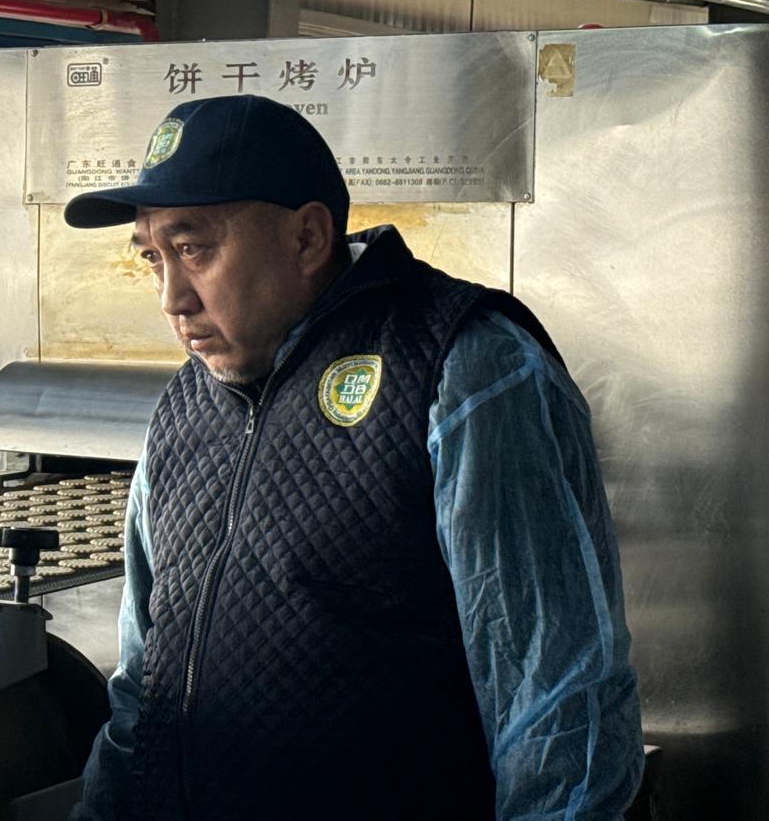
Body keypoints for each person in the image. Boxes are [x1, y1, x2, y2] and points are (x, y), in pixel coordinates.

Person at [62, 95, 643, 821]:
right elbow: (141, 686)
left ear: (307, 237)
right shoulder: (186, 403)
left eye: (193, 249)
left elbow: (557, 698)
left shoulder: (462, 368)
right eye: (153, 257)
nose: (172, 299)